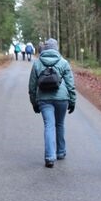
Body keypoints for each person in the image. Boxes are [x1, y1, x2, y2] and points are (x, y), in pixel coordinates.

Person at [28, 38, 76, 167]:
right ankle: (60, 152)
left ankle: (49, 157)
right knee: (59, 124)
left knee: (49, 125)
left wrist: (34, 102)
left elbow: (32, 85)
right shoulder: (64, 62)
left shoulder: (37, 63)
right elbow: (70, 84)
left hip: (44, 99)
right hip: (62, 99)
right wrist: (72, 100)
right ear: (56, 48)